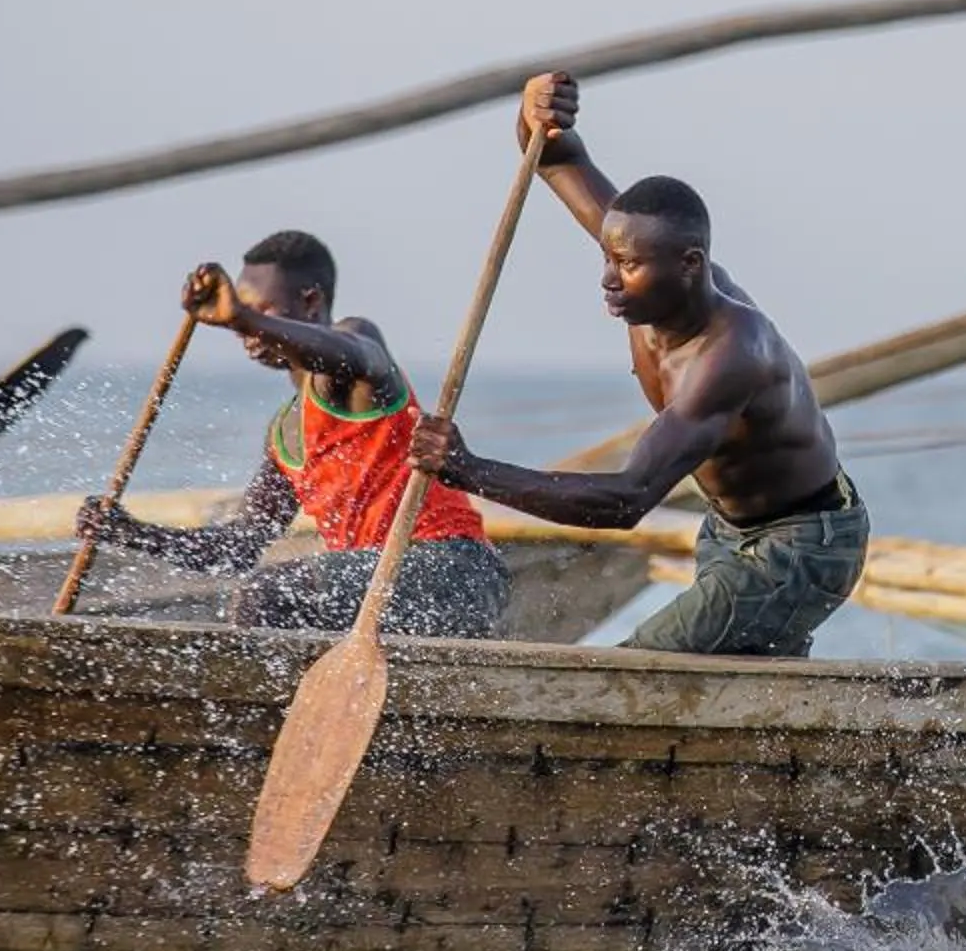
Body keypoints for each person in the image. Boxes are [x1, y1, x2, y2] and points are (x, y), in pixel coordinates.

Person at [408, 73, 867, 658]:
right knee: (727, 691)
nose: (607, 277)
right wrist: (535, 109)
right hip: (729, 530)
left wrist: (467, 469)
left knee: (636, 668)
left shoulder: (730, 355)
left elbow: (625, 500)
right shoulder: (647, 261)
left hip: (805, 544)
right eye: (606, 255)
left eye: (626, 264)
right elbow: (551, 158)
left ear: (689, 264)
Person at [74, 230, 509, 637]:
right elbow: (238, 548)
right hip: (380, 584)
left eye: (262, 310)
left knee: (270, 594)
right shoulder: (283, 435)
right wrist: (130, 532)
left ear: (312, 302)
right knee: (266, 597)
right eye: (240, 312)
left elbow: (352, 354)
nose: (245, 331)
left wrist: (242, 319)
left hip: (455, 571)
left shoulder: (355, 350)